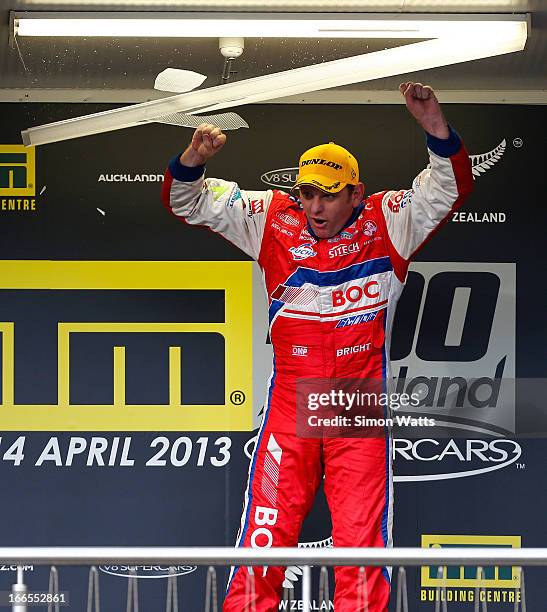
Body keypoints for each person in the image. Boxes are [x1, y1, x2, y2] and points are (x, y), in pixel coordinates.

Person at [162, 82, 474, 611]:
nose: (314, 205)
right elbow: (184, 199)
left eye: (329, 193)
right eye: (307, 192)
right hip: (291, 401)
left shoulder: (389, 219)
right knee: (266, 537)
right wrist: (194, 157)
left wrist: (435, 127)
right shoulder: (269, 217)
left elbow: (447, 189)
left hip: (356, 405)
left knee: (361, 545)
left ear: (356, 192)